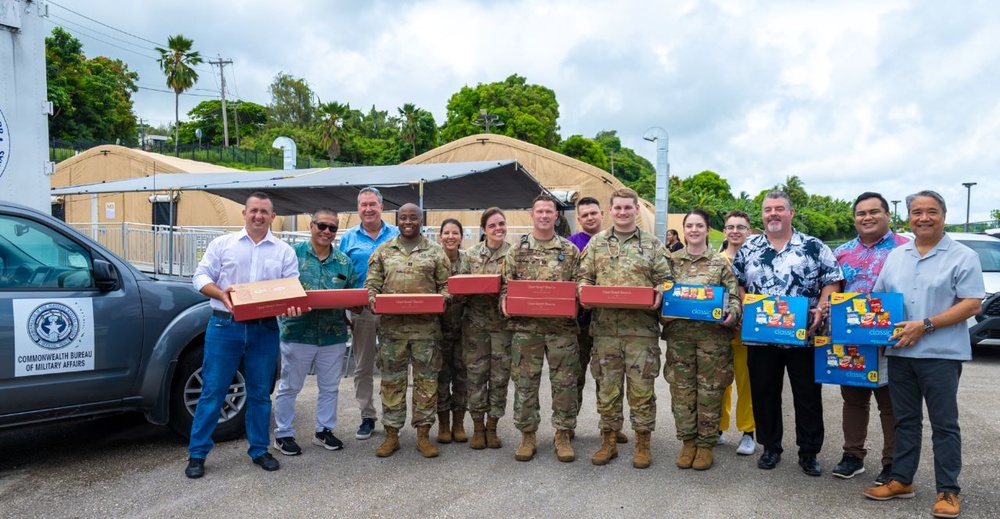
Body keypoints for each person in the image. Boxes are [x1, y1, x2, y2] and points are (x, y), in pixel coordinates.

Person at [863, 190, 983, 519]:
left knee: (944, 424)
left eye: (931, 211)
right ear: (910, 218)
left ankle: (948, 490)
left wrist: (925, 325)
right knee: (906, 422)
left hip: (941, 355)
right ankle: (902, 480)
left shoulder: (963, 256)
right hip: (900, 354)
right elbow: (879, 302)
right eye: (917, 212)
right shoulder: (897, 256)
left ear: (943, 215)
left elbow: (972, 304)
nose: (924, 217)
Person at [185, 192, 300, 479]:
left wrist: (293, 306)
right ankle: (197, 454)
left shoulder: (284, 252)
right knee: (213, 391)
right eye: (254, 211)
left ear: (273, 217)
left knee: (261, 394)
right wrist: (220, 293)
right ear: (244, 213)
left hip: (265, 329)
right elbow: (200, 277)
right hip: (226, 326)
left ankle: (259, 449)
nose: (258, 216)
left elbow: (291, 287)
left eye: (264, 211)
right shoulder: (222, 244)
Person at [732, 190, 843, 476]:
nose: (773, 214)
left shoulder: (813, 246)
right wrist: (746, 303)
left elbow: (832, 281)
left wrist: (822, 306)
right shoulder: (749, 247)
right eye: (768, 209)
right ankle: (770, 448)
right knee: (764, 393)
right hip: (760, 335)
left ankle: (808, 452)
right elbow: (738, 282)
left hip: (803, 335)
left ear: (791, 213)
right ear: (763, 214)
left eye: (779, 208)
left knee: (807, 395)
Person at [576, 188, 671, 469]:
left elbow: (666, 280)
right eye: (618, 208)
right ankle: (608, 441)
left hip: (641, 332)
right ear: (611, 210)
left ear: (636, 210)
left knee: (642, 391)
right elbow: (584, 277)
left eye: (628, 208)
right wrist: (584, 292)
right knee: (607, 389)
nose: (623, 212)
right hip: (605, 331)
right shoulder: (597, 244)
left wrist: (660, 291)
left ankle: (643, 443)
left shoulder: (653, 245)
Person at [831, 193, 909, 483]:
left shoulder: (906, 248)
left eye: (874, 211)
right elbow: (833, 291)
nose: (867, 217)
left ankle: (891, 463)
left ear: (888, 215)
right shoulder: (842, 252)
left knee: (890, 404)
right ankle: (853, 455)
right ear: (855, 218)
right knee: (853, 400)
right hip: (853, 338)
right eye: (861, 213)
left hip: (893, 339)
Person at [365, 203, 451, 458]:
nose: (408, 221)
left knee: (426, 383)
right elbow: (372, 284)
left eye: (413, 217)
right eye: (403, 218)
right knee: (392, 382)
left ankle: (423, 436)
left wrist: (443, 299)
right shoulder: (383, 250)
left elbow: (447, 286)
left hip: (426, 331)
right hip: (393, 331)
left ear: (421, 220)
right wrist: (372, 298)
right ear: (397, 220)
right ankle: (392, 435)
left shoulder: (435, 252)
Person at [502, 194, 581, 463]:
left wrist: (576, 302)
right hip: (527, 329)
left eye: (549, 211)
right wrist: (505, 301)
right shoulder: (517, 250)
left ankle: (563, 433)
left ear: (556, 216)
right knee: (525, 383)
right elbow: (506, 285)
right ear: (532, 215)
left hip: (562, 330)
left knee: (565, 383)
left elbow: (580, 286)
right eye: (540, 211)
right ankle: (527, 434)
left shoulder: (570, 251)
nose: (545, 216)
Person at [272, 208, 357, 456]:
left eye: (332, 228)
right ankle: (284, 434)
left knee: (330, 387)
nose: (326, 232)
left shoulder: (343, 262)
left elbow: (351, 293)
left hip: (333, 334)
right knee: (290, 386)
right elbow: (275, 288)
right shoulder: (291, 256)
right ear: (311, 226)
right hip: (298, 332)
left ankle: (324, 431)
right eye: (322, 226)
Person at [663, 209, 742, 471]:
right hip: (680, 340)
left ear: (708, 230)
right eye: (689, 226)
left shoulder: (721, 264)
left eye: (699, 226)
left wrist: (732, 314)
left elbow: (733, 298)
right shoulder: (670, 262)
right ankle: (688, 442)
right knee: (682, 393)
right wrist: (662, 311)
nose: (694, 230)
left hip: (713, 342)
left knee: (710, 393)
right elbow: (661, 295)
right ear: (683, 231)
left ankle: (706, 444)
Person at [339, 187, 399, 441]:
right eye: (363, 205)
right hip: (361, 311)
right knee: (363, 365)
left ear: (382, 207)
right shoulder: (349, 238)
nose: (368, 209)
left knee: (393, 364)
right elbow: (341, 273)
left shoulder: (397, 235)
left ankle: (392, 416)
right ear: (358, 208)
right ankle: (367, 415)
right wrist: (342, 310)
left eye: (372, 204)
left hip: (393, 310)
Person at [566, 197, 627, 444]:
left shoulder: (615, 242)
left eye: (594, 213)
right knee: (574, 376)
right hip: (579, 323)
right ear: (579, 219)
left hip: (608, 322)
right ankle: (567, 425)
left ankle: (611, 427)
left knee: (609, 377)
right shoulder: (570, 245)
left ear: (603, 213)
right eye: (585, 215)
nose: (590, 217)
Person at [461, 208, 513, 450]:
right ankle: (478, 427)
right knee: (476, 377)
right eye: (492, 225)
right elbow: (459, 285)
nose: (498, 229)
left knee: (500, 377)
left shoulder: (513, 253)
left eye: (501, 224)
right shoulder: (470, 255)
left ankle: (492, 426)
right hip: (476, 326)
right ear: (484, 229)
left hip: (503, 326)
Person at [719, 210, 757, 456]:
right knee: (720, 382)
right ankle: (718, 428)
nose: (735, 231)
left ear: (749, 231)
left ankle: (748, 432)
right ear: (724, 231)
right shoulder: (714, 259)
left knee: (747, 383)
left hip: (748, 331)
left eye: (740, 227)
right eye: (731, 227)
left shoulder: (758, 260)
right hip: (720, 330)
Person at [437, 219, 468, 444]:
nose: (450, 237)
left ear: (461, 236)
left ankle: (459, 423)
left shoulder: (469, 260)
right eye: (446, 233)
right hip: (438, 329)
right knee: (440, 377)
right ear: (440, 236)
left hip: (464, 329)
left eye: (455, 233)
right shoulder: (433, 259)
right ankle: (444, 425)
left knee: (461, 377)